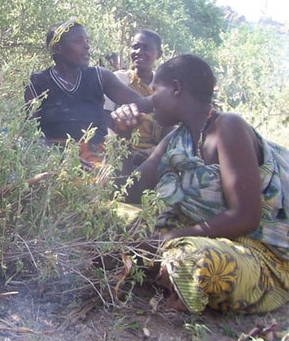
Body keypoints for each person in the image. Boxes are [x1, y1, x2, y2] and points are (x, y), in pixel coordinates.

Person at [113, 54, 289, 314]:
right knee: (109, 216)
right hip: (194, 235)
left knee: (192, 259)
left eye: (155, 92)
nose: (150, 102)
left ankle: (168, 271)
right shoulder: (176, 139)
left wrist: (167, 239)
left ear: (176, 88)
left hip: (258, 252)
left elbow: (245, 217)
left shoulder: (229, 127)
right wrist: (123, 137)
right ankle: (158, 265)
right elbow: (128, 192)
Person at [24, 18, 153, 163]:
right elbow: (31, 133)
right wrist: (61, 158)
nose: (87, 46)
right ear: (57, 48)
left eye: (87, 41)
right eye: (79, 41)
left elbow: (141, 103)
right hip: (56, 160)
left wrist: (169, 95)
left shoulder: (100, 76)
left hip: (98, 159)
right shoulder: (37, 83)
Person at [104, 29, 171, 165]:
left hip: (153, 156)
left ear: (158, 54)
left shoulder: (164, 86)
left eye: (146, 48)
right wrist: (122, 151)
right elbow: (106, 123)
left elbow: (168, 128)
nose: (139, 52)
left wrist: (155, 152)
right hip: (119, 151)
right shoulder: (118, 79)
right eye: (135, 47)